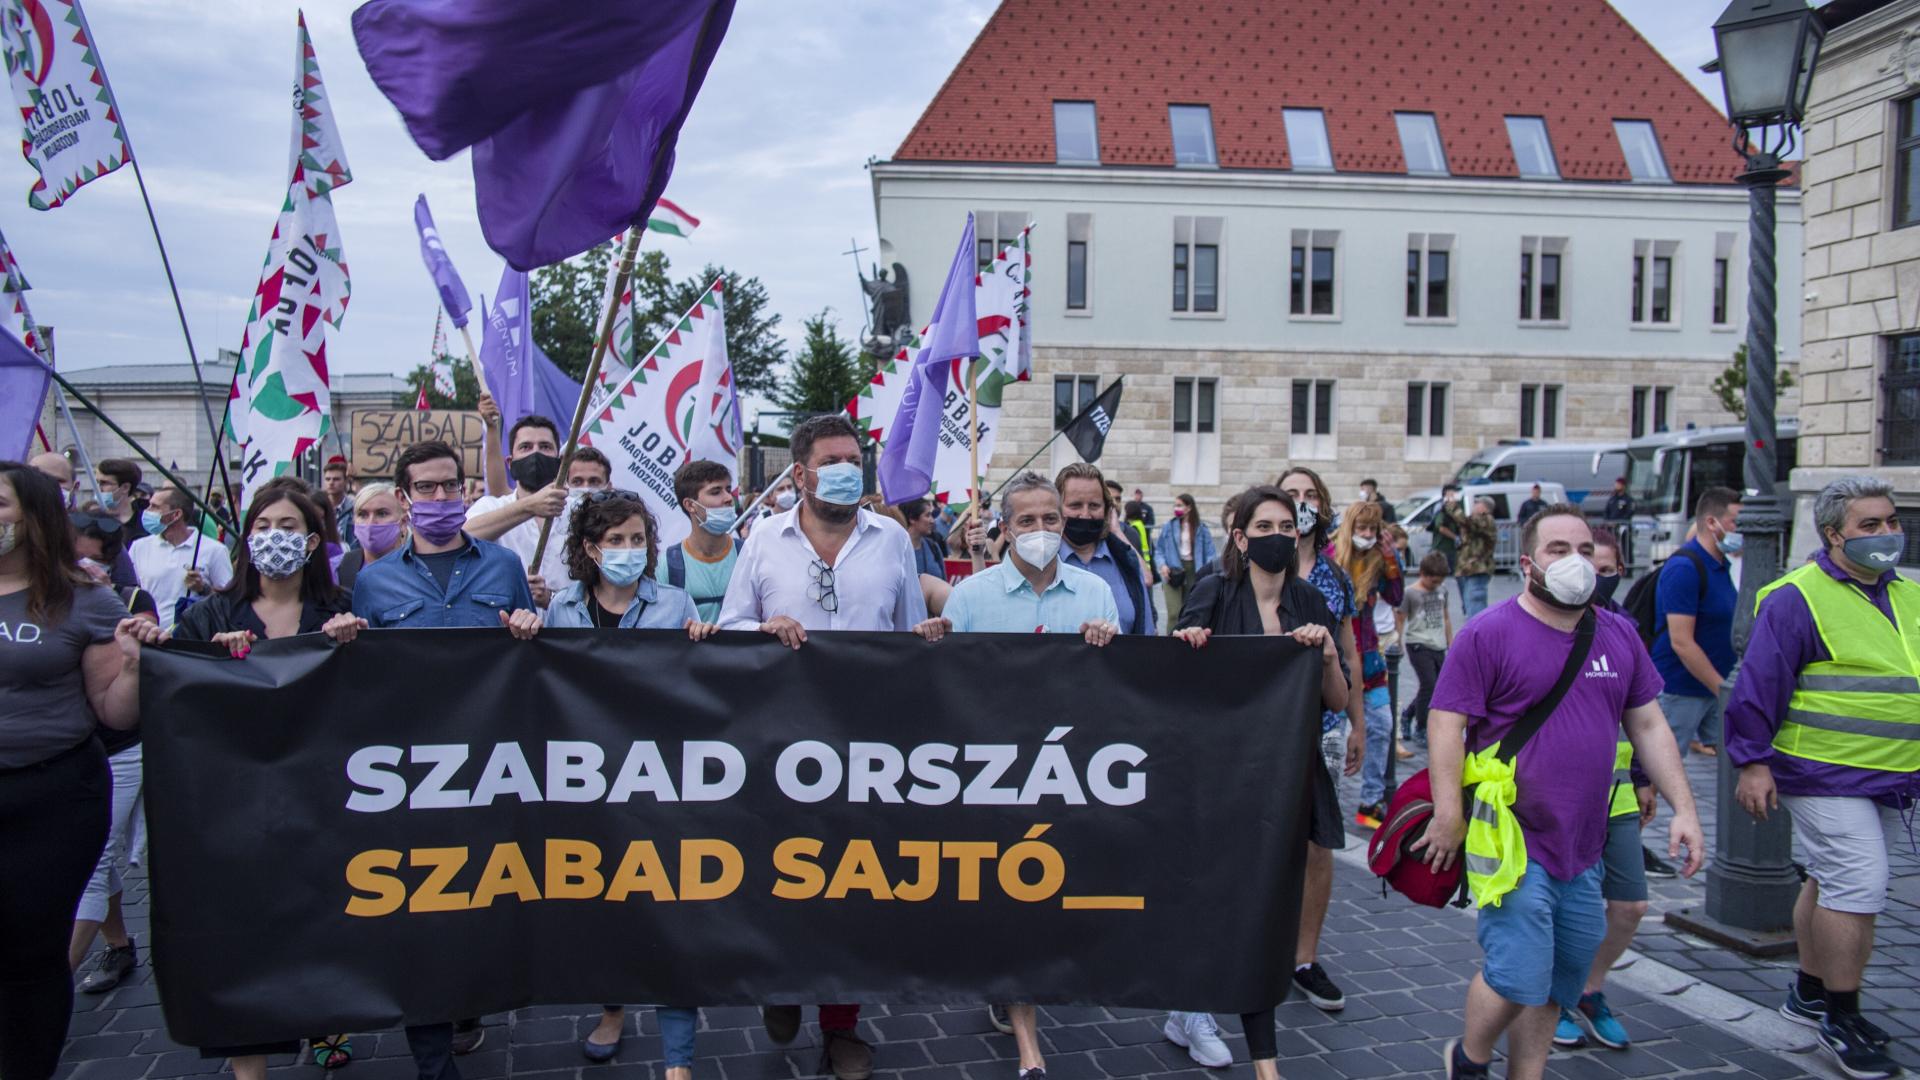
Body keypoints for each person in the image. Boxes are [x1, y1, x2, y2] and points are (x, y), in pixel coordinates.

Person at [1415, 504, 1703, 1080]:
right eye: (1557, 550)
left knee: (1560, 977)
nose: (1576, 560)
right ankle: (1470, 1059)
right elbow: (1446, 722)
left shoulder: (1618, 633)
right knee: (1518, 975)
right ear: (1527, 564)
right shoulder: (1488, 633)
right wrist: (1448, 811)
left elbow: (1647, 724)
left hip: (1584, 843)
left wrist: (1686, 809)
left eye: (1584, 550)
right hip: (1511, 839)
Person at [717, 414, 928, 1080]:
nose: (848, 468)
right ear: (801, 473)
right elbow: (728, 628)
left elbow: (906, 640)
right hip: (781, 744)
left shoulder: (893, 540)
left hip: (867, 747)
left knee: (852, 887)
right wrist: (762, 628)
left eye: (854, 458)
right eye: (832, 459)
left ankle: (841, 1025)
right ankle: (780, 986)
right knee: (781, 875)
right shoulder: (762, 541)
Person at [336, 440, 540, 1062]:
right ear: (404, 499)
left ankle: (466, 1001)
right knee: (417, 905)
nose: (441, 498)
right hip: (407, 772)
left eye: (451, 485)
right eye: (426, 488)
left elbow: (529, 666)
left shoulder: (502, 567)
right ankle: (431, 1057)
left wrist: (527, 632)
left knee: (478, 895)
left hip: (487, 767)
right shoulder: (373, 581)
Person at [162, 486, 370, 1075]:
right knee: (243, 926)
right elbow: (181, 698)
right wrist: (203, 656)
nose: (273, 535)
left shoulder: (340, 611)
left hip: (324, 794)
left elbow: (376, 700)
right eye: (262, 524)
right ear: (247, 537)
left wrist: (356, 650)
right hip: (235, 801)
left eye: (288, 525)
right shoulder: (210, 616)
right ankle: (249, 1063)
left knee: (325, 912)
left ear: (310, 542)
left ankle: (327, 1016)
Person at [922, 472, 1117, 1080]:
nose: (1040, 531)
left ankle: (1017, 983)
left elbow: (1122, 695)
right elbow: (945, 693)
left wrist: (1110, 651)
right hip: (996, 775)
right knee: (1017, 893)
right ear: (1004, 530)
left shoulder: (1095, 595)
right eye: (1026, 522)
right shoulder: (973, 598)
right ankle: (1029, 1046)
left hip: (1070, 772)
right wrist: (934, 647)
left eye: (1050, 520)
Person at [1727, 476, 1913, 1080]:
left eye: (1891, 521)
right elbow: (1759, 685)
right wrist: (1752, 762)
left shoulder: (1906, 595)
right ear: (1833, 534)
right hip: (1821, 769)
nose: (1887, 534)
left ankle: (1810, 993)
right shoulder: (1794, 597)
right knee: (1860, 884)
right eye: (1870, 525)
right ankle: (1842, 1015)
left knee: (1834, 877)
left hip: (1887, 774)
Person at [1163, 485, 1348, 1076]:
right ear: (1240, 538)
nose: (1278, 535)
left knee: (1267, 902)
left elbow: (1338, 696)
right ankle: (1191, 1008)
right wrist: (1189, 645)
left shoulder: (1310, 602)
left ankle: (1262, 1050)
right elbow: (1178, 678)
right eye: (1264, 526)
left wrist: (1321, 657)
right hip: (1221, 774)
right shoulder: (1216, 592)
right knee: (1215, 893)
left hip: (1289, 771)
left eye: (1287, 525)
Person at [543, 490, 717, 1068]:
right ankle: (612, 1008)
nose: (627, 550)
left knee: (674, 910)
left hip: (663, 782)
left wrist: (704, 647)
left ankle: (678, 1055)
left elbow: (700, 686)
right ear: (591, 548)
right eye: (614, 540)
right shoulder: (562, 610)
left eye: (636, 539)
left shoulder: (675, 603)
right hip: (590, 786)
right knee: (606, 907)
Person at [0, 462, 147, 1080]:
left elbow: (112, 711)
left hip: (53, 794)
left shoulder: (85, 597)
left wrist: (136, 668)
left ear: (33, 514)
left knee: (30, 948)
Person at [1552, 529, 1660, 1052]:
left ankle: (1589, 989)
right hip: (1556, 799)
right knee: (1567, 906)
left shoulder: (1624, 630)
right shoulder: (1535, 627)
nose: (1588, 571)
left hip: (1614, 794)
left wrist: (1645, 780)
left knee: (1630, 906)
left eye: (1598, 562)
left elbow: (1642, 718)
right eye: (1567, 555)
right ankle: (1559, 997)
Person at [1275, 466, 1362, 1012]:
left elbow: (1350, 654)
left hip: (1324, 727)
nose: (1301, 504)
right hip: (1266, 729)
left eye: (1310, 496)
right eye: (1291, 495)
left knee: (1317, 844)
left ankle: (1304, 957)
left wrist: (1359, 723)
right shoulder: (1247, 571)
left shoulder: (1336, 578)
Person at [67, 527, 158, 995]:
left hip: (119, 748)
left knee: (95, 858)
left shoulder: (123, 600)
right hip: (67, 755)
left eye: (91, 565)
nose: (82, 573)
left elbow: (126, 698)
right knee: (98, 856)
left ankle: (50, 981)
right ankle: (119, 943)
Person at [1651, 486, 1741, 758]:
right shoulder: (1685, 568)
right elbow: (1681, 641)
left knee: (1731, 759)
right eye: (1736, 522)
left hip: (1711, 687)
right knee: (1659, 767)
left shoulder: (1720, 564)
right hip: (1682, 688)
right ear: (1711, 522)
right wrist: (1722, 690)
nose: (1741, 530)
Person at [1337, 500, 1404, 827]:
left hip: (1371, 659)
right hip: (1336, 661)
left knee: (1382, 726)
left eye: (1371, 529)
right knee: (1332, 733)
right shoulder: (1331, 561)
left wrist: (1391, 557)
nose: (1366, 535)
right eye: (1361, 528)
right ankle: (1330, 798)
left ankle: (1371, 801)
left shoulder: (1379, 561)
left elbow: (1396, 596)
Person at [465, 414, 571, 606]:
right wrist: (529, 506)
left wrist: (551, 599)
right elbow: (462, 536)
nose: (535, 454)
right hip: (507, 630)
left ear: (560, 461)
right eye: (526, 447)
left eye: (545, 447)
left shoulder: (579, 511)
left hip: (569, 631)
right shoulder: (491, 507)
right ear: (510, 463)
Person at [1055, 463, 1153, 635]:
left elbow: (1146, 635)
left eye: (1094, 506)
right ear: (1056, 509)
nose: (1085, 515)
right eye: (1075, 505)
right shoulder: (1042, 563)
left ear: (1107, 510)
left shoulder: (1126, 562)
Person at [128, 484, 233, 631]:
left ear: (176, 514)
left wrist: (203, 588)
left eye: (154, 507)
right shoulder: (139, 547)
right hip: (147, 637)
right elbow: (130, 593)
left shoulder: (215, 550)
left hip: (192, 640)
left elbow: (230, 601)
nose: (147, 512)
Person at [664, 460, 744, 624]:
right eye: (716, 492)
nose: (729, 498)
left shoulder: (750, 554)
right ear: (690, 505)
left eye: (728, 489)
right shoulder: (666, 565)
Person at [1399, 551, 1454, 750]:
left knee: (1435, 687)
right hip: (1417, 643)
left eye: (1439, 581)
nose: (1435, 585)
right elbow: (1401, 618)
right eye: (1432, 581)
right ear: (1422, 573)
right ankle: (1420, 727)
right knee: (1429, 685)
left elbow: (1445, 616)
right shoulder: (1410, 592)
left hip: (1438, 643)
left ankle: (1408, 714)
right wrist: (1397, 642)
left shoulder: (1443, 590)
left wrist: (1450, 641)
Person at [1154, 492, 1215, 625]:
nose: (1176, 508)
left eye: (1179, 505)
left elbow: (1211, 553)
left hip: (1195, 570)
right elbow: (1159, 550)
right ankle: (1169, 643)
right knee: (1174, 613)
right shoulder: (1168, 527)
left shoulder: (1201, 529)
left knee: (1189, 612)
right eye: (1175, 505)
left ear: (1189, 507)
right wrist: (1162, 565)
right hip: (1172, 571)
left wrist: (1207, 572)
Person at [335, 482, 407, 593]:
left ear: (403, 522)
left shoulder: (421, 571)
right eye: (363, 515)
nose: (371, 522)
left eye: (382, 513)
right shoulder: (336, 569)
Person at [1457, 496, 1497, 619]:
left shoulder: (1486, 520)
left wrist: (1452, 505)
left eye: (1477, 504)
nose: (1474, 506)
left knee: (1475, 605)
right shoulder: (1478, 521)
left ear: (1483, 507)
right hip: (1469, 569)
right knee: (1470, 603)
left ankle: (1478, 634)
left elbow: (1464, 521)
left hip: (1478, 568)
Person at [94, 458, 147, 542]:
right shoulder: (89, 521)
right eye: (96, 482)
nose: (98, 488)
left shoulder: (145, 525)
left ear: (125, 487)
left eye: (104, 483)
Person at [900, 497, 948, 579]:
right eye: (927, 515)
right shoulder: (897, 551)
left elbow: (944, 582)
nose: (932, 521)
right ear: (912, 518)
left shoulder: (933, 547)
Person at [1430, 483, 1466, 572]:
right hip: (1442, 546)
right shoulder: (1441, 508)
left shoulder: (1458, 507)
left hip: (1453, 547)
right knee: (1438, 572)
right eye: (1452, 494)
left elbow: (1463, 523)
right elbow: (1441, 527)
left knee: (1458, 572)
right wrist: (1456, 538)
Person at [322, 456, 356, 548]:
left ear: (345, 481)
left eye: (336, 479)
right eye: (327, 479)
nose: (331, 483)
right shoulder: (318, 507)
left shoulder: (354, 508)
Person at [1604, 477, 1636, 568]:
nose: (1616, 486)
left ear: (1623, 486)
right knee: (1611, 547)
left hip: (1623, 527)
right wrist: (1608, 521)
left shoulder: (1628, 499)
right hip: (1611, 527)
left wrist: (1619, 522)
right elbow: (1606, 512)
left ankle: (1629, 568)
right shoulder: (1612, 499)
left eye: (1618, 484)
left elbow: (1630, 512)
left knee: (1626, 547)